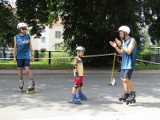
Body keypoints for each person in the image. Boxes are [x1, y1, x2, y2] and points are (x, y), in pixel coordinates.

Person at [109, 25, 137, 104]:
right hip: (124, 63)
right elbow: (121, 52)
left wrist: (121, 45)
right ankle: (126, 93)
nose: (119, 35)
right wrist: (115, 47)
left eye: (120, 33)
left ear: (125, 33)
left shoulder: (132, 40)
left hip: (130, 63)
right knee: (122, 79)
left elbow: (128, 51)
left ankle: (132, 93)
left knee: (126, 79)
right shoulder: (124, 42)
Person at [13, 22, 35, 94]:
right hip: (19, 56)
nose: (24, 29)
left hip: (26, 56)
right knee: (20, 71)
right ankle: (21, 83)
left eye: (25, 28)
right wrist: (14, 57)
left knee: (27, 70)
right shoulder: (16, 37)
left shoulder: (28, 36)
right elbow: (15, 47)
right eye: (23, 28)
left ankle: (32, 84)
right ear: (19, 29)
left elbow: (30, 46)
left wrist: (32, 55)